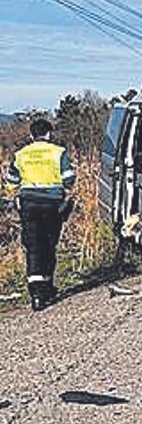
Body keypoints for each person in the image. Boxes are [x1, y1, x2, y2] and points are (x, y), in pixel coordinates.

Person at [2, 118, 76, 311]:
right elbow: (69, 179)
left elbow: (11, 180)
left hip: (29, 205)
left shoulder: (21, 154)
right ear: (49, 134)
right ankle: (48, 288)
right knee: (49, 245)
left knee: (34, 247)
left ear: (31, 135)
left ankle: (36, 294)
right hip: (52, 205)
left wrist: (17, 192)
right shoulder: (58, 152)